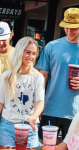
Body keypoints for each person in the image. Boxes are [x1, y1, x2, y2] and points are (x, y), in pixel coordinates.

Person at [0, 37, 45, 150]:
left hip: (28, 126)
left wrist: (34, 117)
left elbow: (40, 102)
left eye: (34, 53)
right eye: (28, 52)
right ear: (20, 52)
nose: (31, 57)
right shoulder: (7, 76)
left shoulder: (37, 77)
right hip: (7, 125)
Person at [36, 7, 79, 141]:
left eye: (74, 27)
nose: (69, 31)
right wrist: (38, 106)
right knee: (47, 146)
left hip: (76, 113)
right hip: (50, 109)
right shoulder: (51, 47)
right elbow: (42, 78)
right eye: (66, 26)